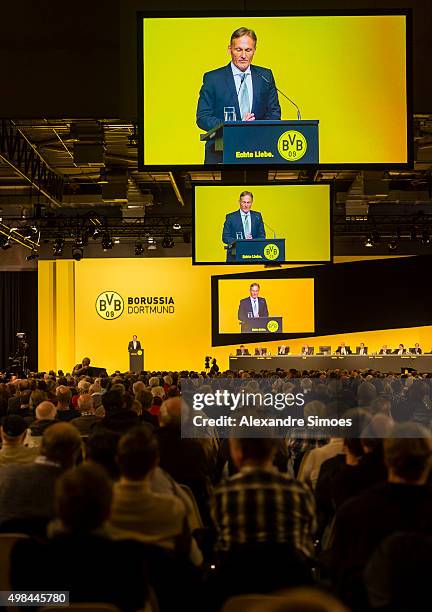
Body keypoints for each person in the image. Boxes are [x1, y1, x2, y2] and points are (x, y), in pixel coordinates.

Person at [196, 27, 281, 164]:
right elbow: (203, 117)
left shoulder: (265, 76)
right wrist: (234, 127)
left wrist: (254, 127)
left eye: (248, 50)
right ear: (230, 49)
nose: (243, 55)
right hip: (221, 153)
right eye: (238, 49)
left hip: (259, 152)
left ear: (254, 50)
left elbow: (274, 113)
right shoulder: (213, 78)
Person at [222, 191, 265, 261]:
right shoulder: (231, 217)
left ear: (252, 203)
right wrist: (240, 242)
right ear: (239, 202)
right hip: (235, 256)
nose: (246, 205)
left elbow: (262, 236)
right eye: (244, 202)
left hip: (253, 255)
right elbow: (225, 237)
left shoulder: (257, 216)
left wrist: (253, 241)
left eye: (248, 202)